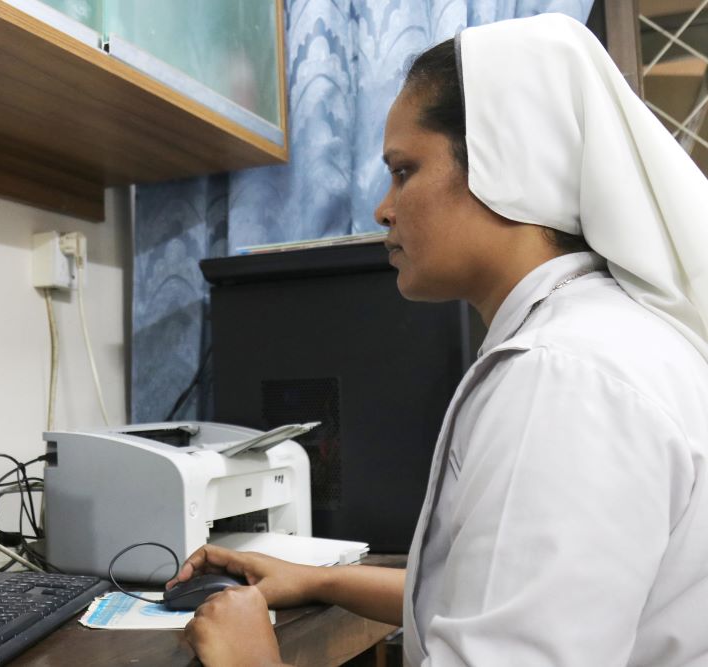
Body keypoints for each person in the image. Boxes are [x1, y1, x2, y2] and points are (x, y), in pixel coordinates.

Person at [167, 13, 708, 667]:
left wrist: (253, 660)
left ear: (506, 165)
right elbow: (510, 600)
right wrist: (319, 577)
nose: (382, 209)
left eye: (403, 170)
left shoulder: (561, 380)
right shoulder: (598, 338)